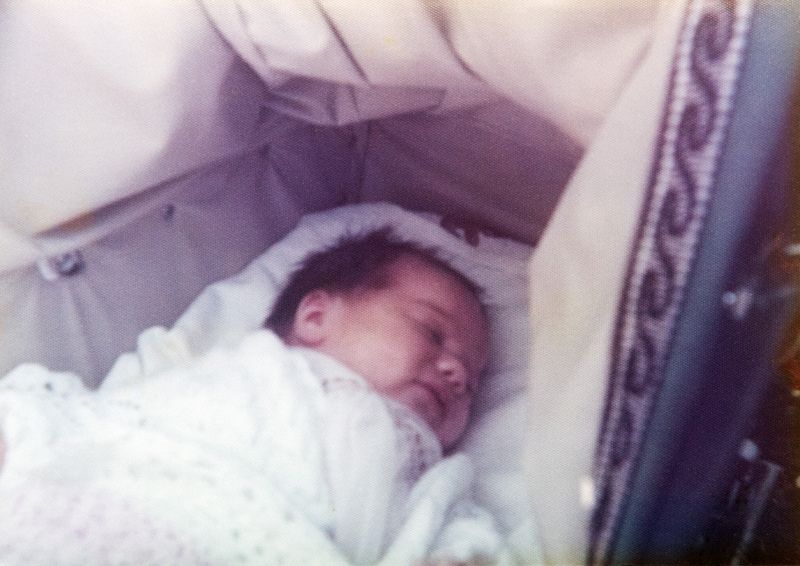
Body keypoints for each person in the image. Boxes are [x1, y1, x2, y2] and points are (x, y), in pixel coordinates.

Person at [0, 228, 501, 565]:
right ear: (315, 318)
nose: (456, 372)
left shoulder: (430, 471)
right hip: (134, 498)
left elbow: (454, 532)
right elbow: (120, 420)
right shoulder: (257, 369)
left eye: (473, 381)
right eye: (433, 333)